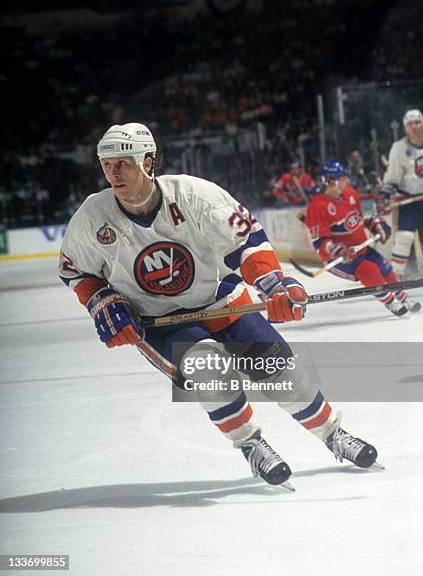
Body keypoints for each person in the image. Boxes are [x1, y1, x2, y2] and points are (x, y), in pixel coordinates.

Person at [59, 123, 379, 488]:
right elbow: (74, 269)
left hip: (220, 297)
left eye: (123, 163)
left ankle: (332, 434)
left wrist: (276, 284)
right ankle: (252, 445)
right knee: (209, 371)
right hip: (159, 320)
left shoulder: (194, 194)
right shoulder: (93, 215)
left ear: (148, 162)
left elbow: (246, 243)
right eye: (107, 164)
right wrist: (100, 298)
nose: (113, 173)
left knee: (276, 367)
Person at [305, 161, 420, 316]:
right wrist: (337, 250)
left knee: (384, 267)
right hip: (338, 258)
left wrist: (376, 225)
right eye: (343, 178)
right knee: (370, 270)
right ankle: (391, 302)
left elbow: (359, 219)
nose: (348, 181)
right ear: (332, 181)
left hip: (361, 248)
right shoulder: (318, 206)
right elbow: (320, 242)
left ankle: (403, 298)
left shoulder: (350, 194)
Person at [378, 109, 423, 277]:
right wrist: (385, 194)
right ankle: (404, 275)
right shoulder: (398, 148)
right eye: (410, 124)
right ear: (405, 127)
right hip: (408, 202)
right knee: (404, 238)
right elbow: (392, 177)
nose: (415, 127)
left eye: (417, 122)